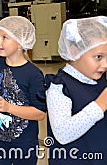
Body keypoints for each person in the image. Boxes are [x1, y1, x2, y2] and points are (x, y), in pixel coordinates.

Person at [0, 16, 46, 165]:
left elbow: (40, 113)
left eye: (5, 37)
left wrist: (9, 107)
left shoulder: (33, 74)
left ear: (20, 43)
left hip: (24, 143)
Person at [45, 16, 107, 164]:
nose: (105, 65)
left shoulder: (100, 81)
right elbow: (62, 133)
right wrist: (100, 105)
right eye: (98, 57)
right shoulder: (60, 87)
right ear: (74, 52)